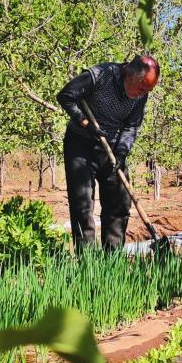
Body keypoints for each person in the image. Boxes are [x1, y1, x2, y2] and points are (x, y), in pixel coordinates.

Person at [56, 55, 160, 252]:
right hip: (80, 144)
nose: (143, 94)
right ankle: (86, 259)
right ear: (130, 75)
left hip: (112, 148)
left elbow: (131, 126)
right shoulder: (100, 75)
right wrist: (85, 124)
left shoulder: (141, 94)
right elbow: (65, 96)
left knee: (119, 203)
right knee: (82, 204)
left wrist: (122, 152)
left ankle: (112, 257)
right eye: (142, 89)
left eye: (148, 91)